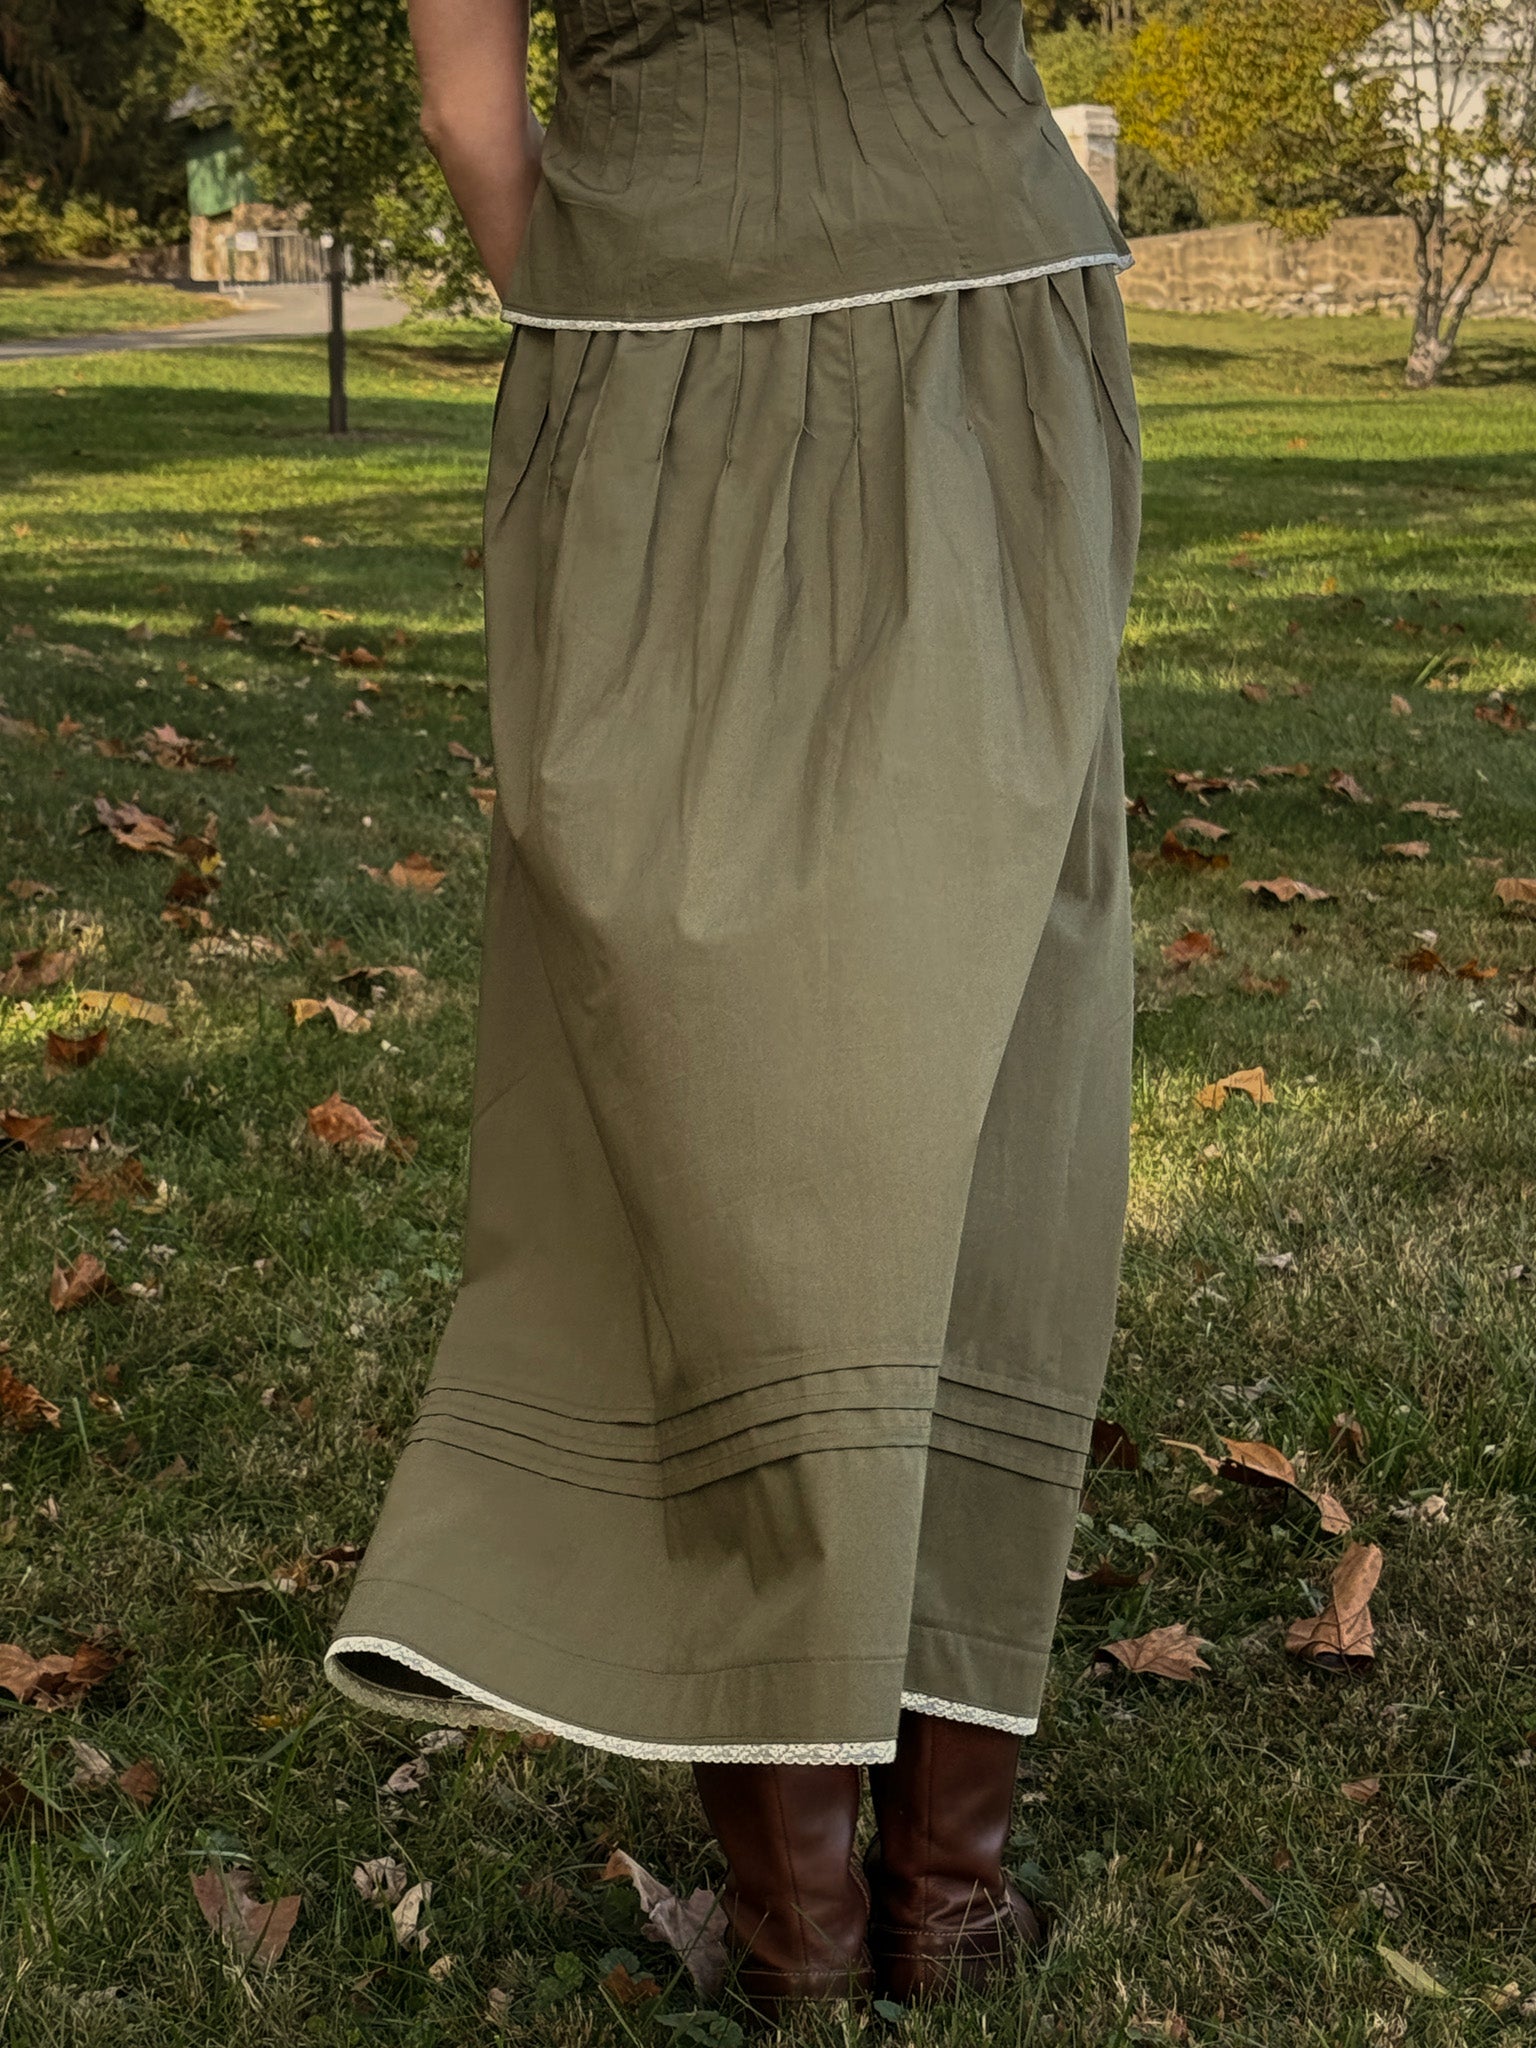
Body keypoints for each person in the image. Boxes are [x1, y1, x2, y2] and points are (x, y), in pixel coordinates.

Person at [323, 0, 1142, 2022]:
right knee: (991, 1059)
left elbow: (470, 117)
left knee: (704, 1084)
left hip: (647, 320)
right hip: (990, 302)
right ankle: (947, 1894)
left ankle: (805, 1926)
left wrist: (648, 266)